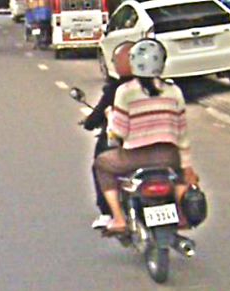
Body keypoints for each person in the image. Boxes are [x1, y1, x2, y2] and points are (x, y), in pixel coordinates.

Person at [94, 38, 198, 235]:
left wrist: (110, 117)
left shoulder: (125, 92)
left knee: (102, 164)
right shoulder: (174, 91)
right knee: (180, 176)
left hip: (133, 157)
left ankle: (118, 218)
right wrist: (187, 165)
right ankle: (180, 215)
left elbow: (120, 132)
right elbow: (182, 134)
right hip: (168, 156)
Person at [82, 48, 133, 229]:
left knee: (101, 166)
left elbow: (98, 115)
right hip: (161, 148)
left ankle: (109, 213)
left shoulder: (118, 89)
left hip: (128, 144)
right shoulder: (164, 87)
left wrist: (90, 122)